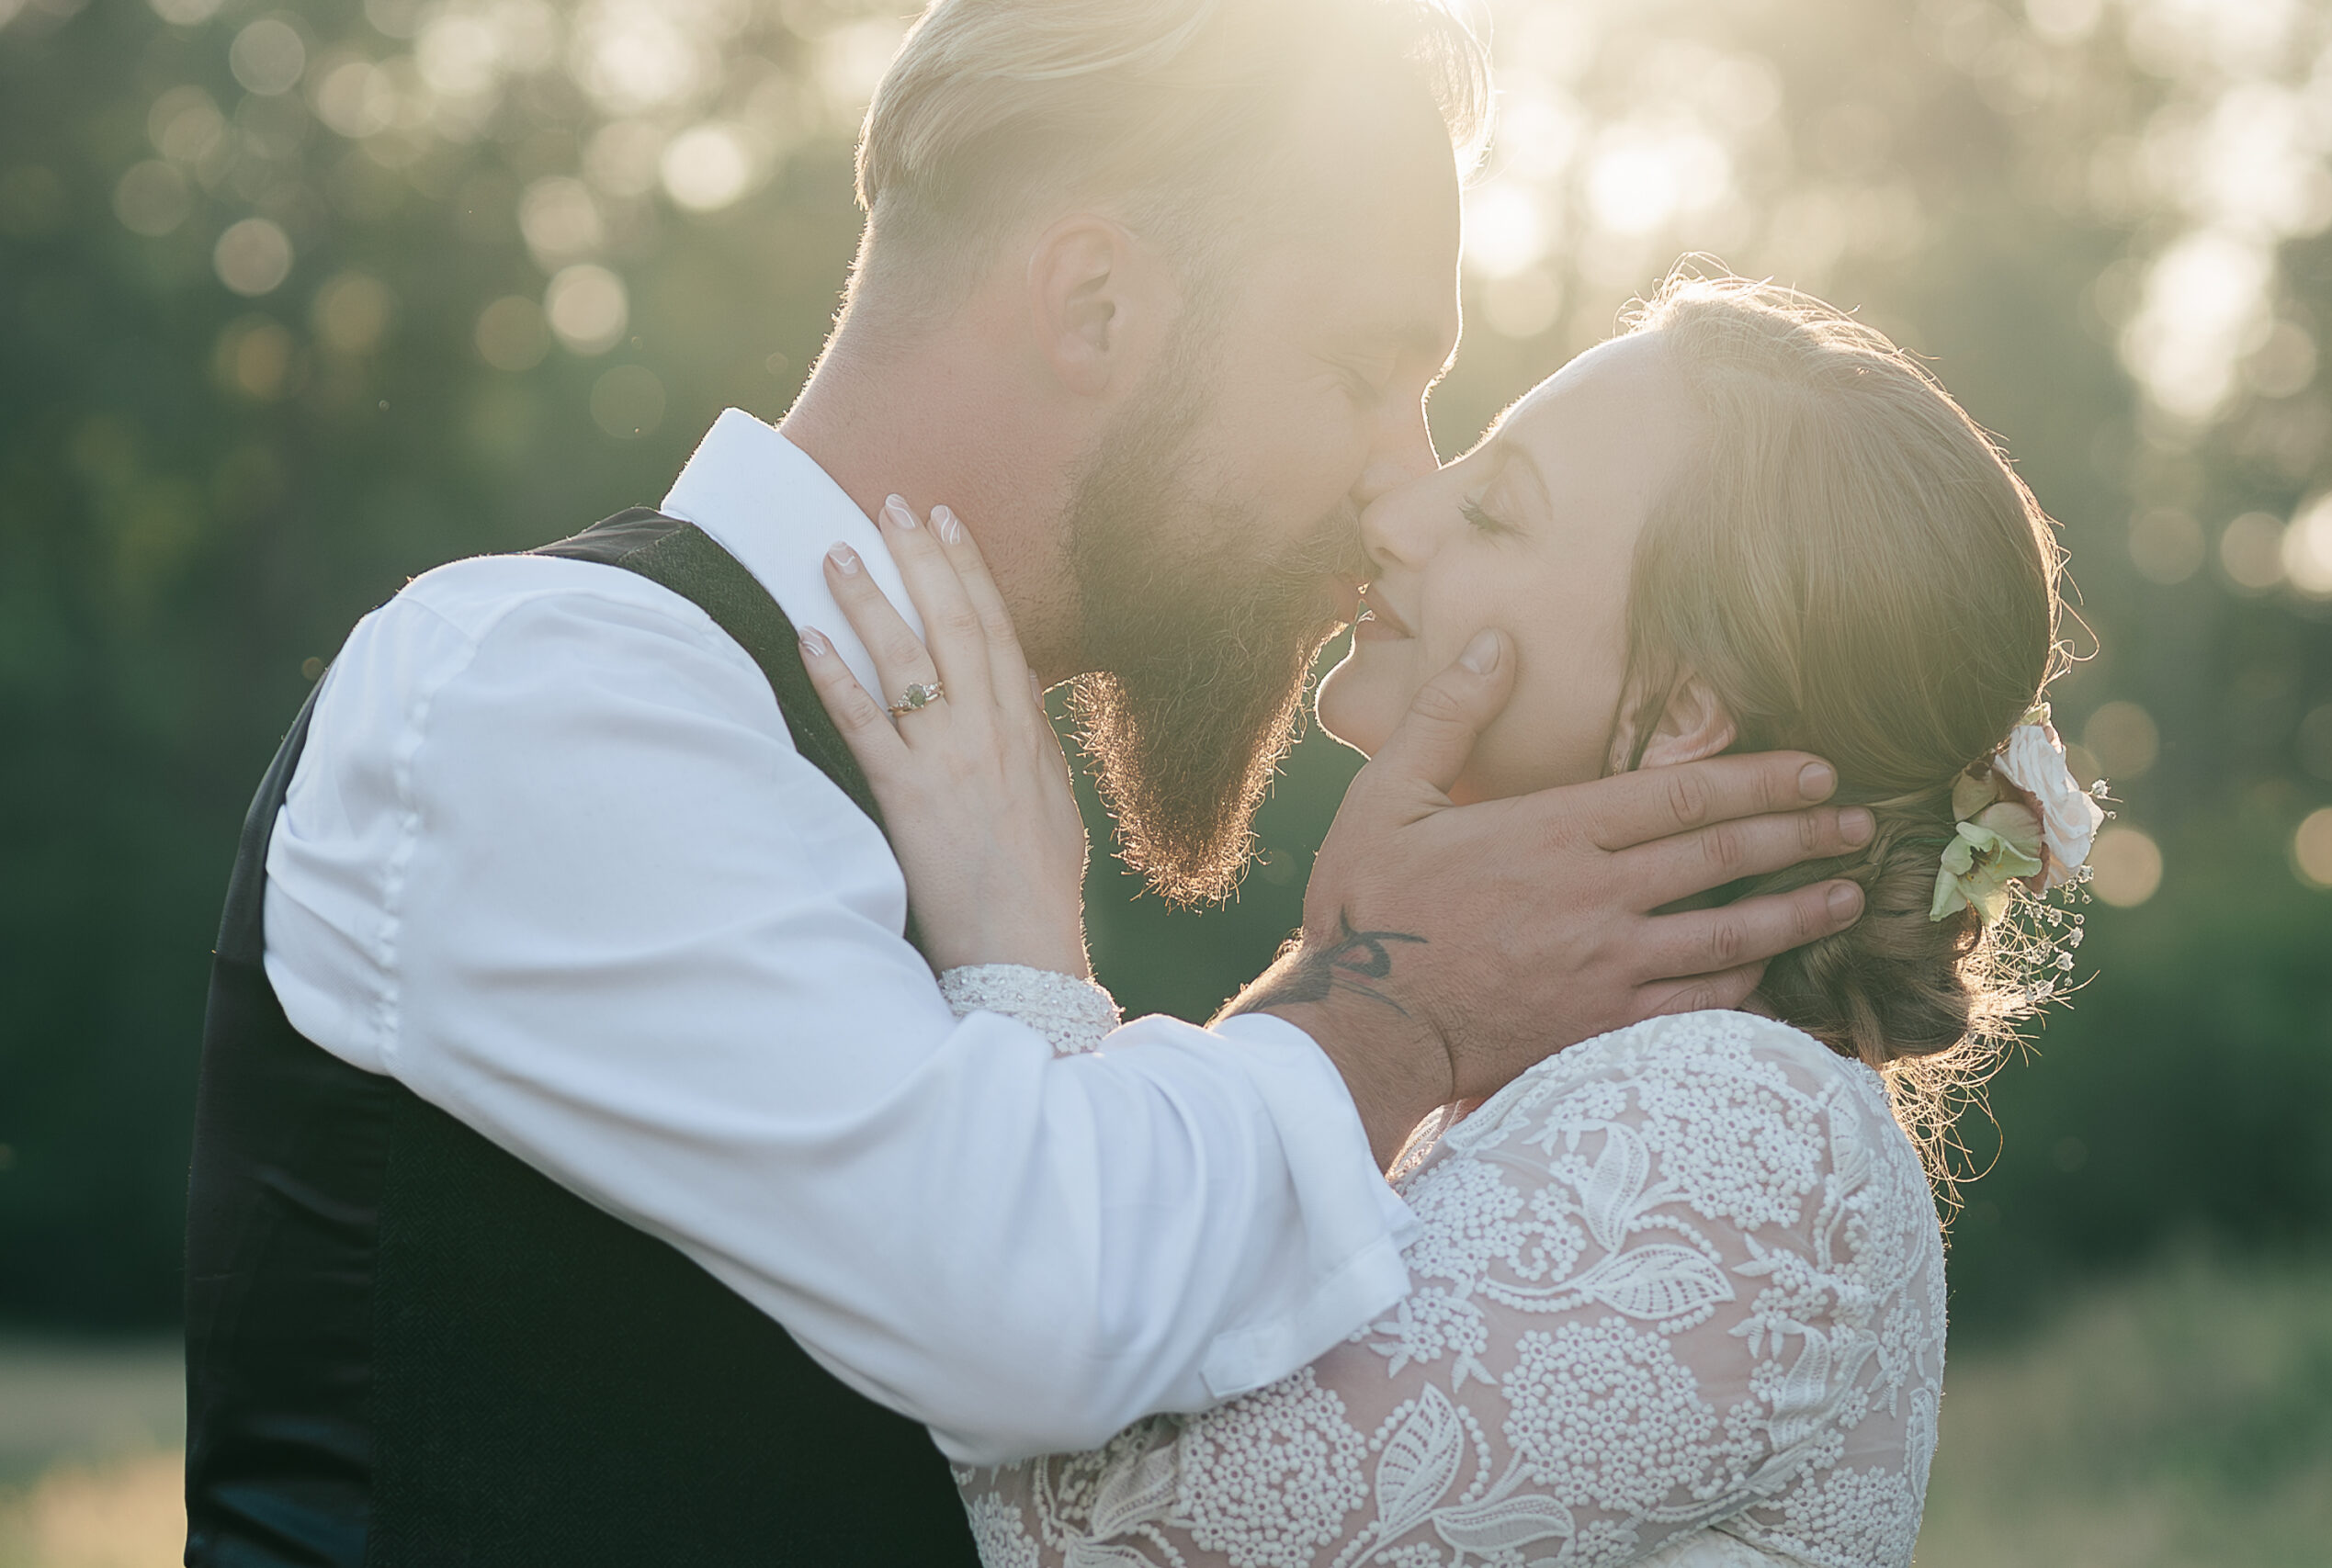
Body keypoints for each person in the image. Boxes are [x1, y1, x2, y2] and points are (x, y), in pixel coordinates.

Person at [183, 3, 1870, 1563]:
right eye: (1362, 377)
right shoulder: (546, 691)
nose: (1396, 495)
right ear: (1096, 308)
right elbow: (1036, 1305)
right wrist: (1386, 1006)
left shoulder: (953, 811)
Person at [799, 274, 2101, 1566]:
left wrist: (1014, 938)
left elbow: (1075, 1539)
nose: (1400, 514)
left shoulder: (1746, 1127)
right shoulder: (1534, 1081)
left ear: (1688, 710)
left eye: (1491, 510)